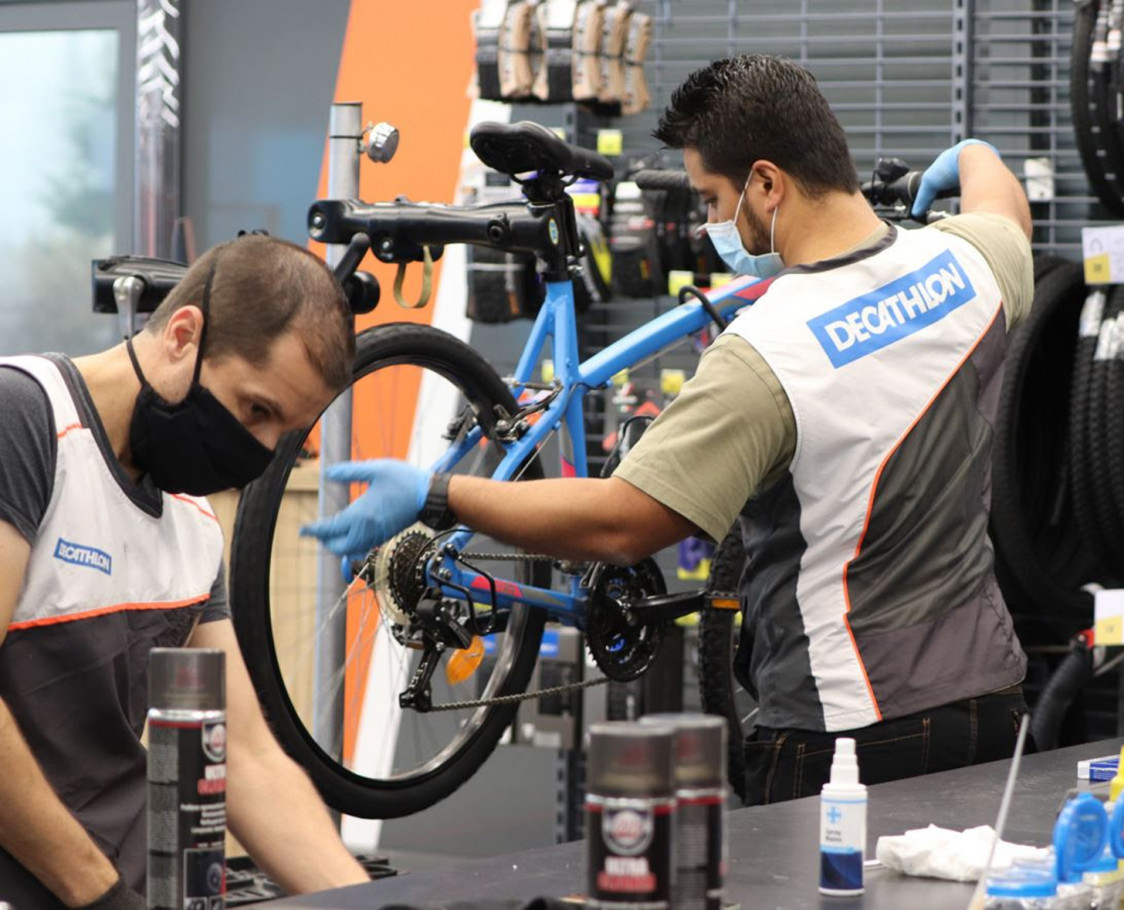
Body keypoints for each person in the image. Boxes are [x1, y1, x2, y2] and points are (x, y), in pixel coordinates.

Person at [304, 54, 1036, 805]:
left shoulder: (769, 353)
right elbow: (1004, 206)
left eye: (714, 200)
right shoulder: (972, 265)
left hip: (849, 743)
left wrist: (438, 494)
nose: (713, 224)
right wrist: (974, 156)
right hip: (995, 707)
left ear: (767, 184)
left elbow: (622, 523)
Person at [0, 235, 371, 907]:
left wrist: (363, 902)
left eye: (281, 431)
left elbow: (249, 759)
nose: (256, 451)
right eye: (255, 409)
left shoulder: (192, 524)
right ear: (182, 334)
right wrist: (98, 893)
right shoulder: (22, 422)